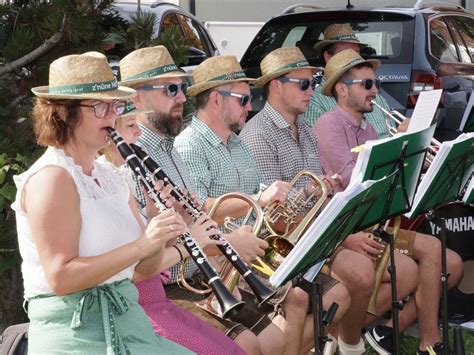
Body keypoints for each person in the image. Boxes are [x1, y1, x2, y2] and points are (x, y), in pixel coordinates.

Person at [239, 47, 418, 355]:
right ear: (276, 86)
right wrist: (344, 239)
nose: (311, 92)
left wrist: (341, 228)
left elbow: (322, 197)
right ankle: (349, 343)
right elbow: (278, 219)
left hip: (316, 236)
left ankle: (343, 337)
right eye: (304, 84)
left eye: (313, 82)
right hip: (287, 247)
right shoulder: (258, 135)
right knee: (360, 275)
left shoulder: (306, 129)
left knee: (399, 272)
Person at [12, 51, 192, 354]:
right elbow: (61, 277)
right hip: (76, 334)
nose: (111, 115)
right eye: (99, 106)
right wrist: (142, 244)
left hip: (128, 323)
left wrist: (166, 230)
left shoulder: (111, 176)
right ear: (62, 112)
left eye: (114, 105)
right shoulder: (52, 178)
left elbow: (140, 270)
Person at [175, 54, 353, 355]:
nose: (250, 107)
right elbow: (196, 211)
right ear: (217, 99)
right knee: (297, 300)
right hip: (218, 259)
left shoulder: (237, 141)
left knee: (337, 295)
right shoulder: (190, 144)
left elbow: (265, 199)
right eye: (243, 100)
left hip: (254, 249)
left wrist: (297, 196)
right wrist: (258, 200)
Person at [119, 45, 284, 355]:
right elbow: (144, 254)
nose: (182, 97)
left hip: (195, 273)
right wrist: (221, 242)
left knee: (274, 339)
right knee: (248, 344)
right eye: (171, 89)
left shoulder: (170, 151)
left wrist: (198, 227)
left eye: (181, 88)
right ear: (135, 98)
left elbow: (195, 220)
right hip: (166, 288)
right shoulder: (129, 159)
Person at [314, 48, 464, 355]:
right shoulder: (329, 125)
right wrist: (395, 142)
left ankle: (398, 335)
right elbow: (352, 180)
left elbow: (388, 184)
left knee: (448, 260)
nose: (376, 90)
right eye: (367, 84)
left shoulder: (365, 126)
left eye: (375, 83)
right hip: (352, 230)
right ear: (342, 90)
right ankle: (422, 341)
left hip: (375, 224)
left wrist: (415, 159)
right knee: (430, 255)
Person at [99, 103, 246, 355]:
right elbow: (139, 269)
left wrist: (169, 216)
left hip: (156, 299)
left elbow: (150, 250)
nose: (139, 134)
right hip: (140, 307)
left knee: (235, 351)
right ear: (108, 135)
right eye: (132, 126)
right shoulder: (108, 181)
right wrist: (190, 245)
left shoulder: (118, 177)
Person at [304, 23, 405, 138]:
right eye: (346, 53)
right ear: (328, 57)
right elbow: (324, 148)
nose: (354, 59)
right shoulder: (315, 102)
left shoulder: (376, 97)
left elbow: (390, 132)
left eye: (357, 53)